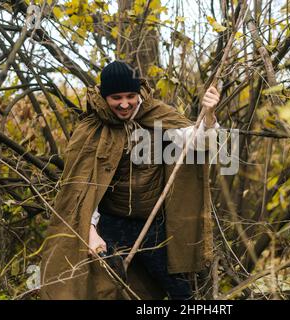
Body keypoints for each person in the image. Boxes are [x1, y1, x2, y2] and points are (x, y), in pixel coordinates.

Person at [40, 61, 219, 300]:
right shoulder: (92, 128)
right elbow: (83, 188)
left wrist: (208, 116)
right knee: (107, 289)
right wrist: (91, 231)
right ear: (105, 98)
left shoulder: (158, 115)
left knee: (180, 291)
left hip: (153, 225)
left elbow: (199, 142)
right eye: (116, 97)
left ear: (138, 93)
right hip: (111, 224)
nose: (124, 104)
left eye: (130, 96)